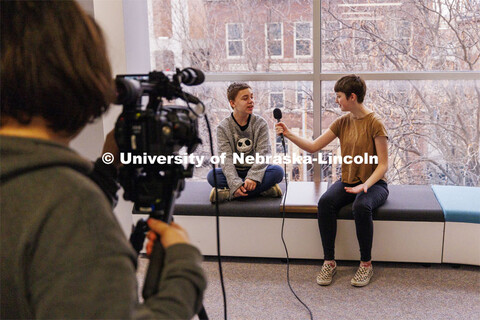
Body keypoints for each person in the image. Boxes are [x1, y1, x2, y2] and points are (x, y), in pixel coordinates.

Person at [0, 1, 206, 319]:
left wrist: (110, 159)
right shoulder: (71, 206)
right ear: (78, 77)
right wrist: (184, 269)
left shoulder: (36, 185)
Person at [276, 75, 389, 287]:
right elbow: (313, 146)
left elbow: (383, 164)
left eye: (339, 96)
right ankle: (329, 261)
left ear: (352, 97)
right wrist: (288, 133)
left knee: (362, 206)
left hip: (374, 184)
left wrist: (365, 185)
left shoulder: (376, 124)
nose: (336, 101)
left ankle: (366, 264)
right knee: (325, 203)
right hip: (348, 181)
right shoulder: (342, 122)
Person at [207, 82, 284, 203]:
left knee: (278, 172)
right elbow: (225, 159)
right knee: (212, 176)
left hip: (256, 170)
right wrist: (235, 183)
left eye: (252, 97)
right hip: (235, 171)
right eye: (245, 98)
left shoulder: (260, 123)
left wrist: (253, 177)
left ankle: (228, 194)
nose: (251, 101)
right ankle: (264, 190)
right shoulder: (223, 127)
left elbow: (263, 154)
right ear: (232, 103)